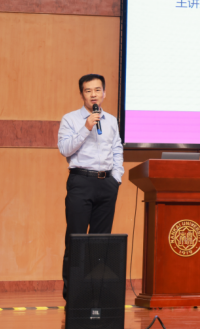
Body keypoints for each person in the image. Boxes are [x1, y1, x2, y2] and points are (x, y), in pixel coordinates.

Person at [58, 73, 124, 304]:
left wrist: (116, 178)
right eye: (88, 91)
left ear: (104, 93)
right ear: (82, 94)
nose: (93, 95)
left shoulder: (112, 120)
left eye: (97, 90)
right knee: (76, 239)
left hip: (106, 184)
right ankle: (73, 296)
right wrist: (86, 127)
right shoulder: (70, 119)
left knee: (100, 243)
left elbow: (117, 149)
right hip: (81, 182)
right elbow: (65, 149)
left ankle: (95, 295)